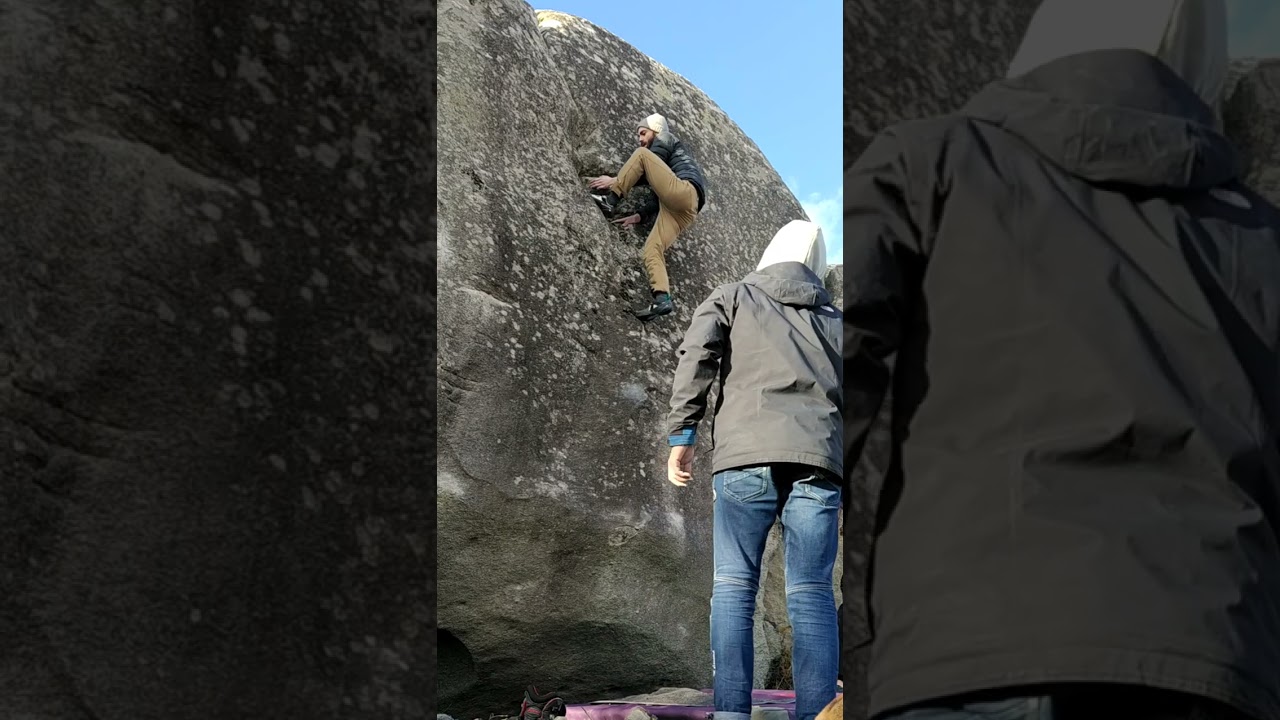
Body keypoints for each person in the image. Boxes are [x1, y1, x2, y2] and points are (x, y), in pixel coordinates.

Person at [843, 1, 1280, 719]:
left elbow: (838, 355)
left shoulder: (931, 161)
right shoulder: (1261, 234)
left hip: (971, 639)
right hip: (1212, 650)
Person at [664, 220, 842, 720]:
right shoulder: (838, 322)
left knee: (734, 585)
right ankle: (818, 714)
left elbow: (697, 356)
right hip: (818, 462)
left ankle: (731, 713)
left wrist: (682, 434)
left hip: (744, 456)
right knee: (812, 592)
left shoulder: (733, 296)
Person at [589, 113, 707, 322]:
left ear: (657, 130)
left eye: (643, 133)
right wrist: (639, 216)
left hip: (684, 191)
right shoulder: (666, 169)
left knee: (641, 155)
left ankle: (611, 200)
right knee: (652, 249)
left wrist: (614, 181)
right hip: (684, 209)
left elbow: (648, 165)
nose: (640, 139)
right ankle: (662, 299)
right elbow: (659, 192)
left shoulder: (666, 138)